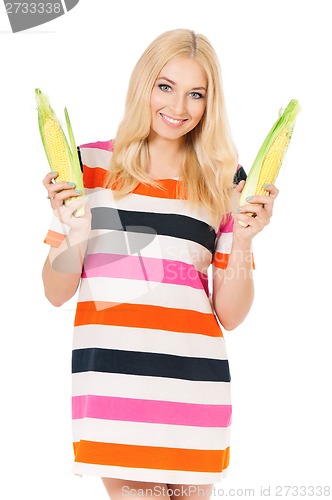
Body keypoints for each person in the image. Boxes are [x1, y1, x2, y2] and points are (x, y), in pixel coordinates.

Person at [42, 29, 278, 500]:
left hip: (196, 389)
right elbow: (55, 291)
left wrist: (246, 241)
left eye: (197, 94)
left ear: (211, 103)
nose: (179, 107)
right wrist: (74, 232)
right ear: (143, 85)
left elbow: (229, 314)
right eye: (165, 86)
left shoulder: (226, 179)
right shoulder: (89, 165)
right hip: (114, 387)